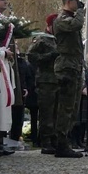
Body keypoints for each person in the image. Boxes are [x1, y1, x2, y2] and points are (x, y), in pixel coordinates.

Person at [52, 0, 86, 158]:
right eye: (76, 2)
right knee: (65, 106)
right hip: (66, 66)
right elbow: (76, 25)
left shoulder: (71, 18)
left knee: (73, 107)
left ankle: (66, 140)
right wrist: (80, 12)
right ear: (68, 2)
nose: (78, 4)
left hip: (75, 65)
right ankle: (61, 143)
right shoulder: (61, 19)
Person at [27, 13, 60, 154]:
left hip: (60, 79)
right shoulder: (42, 39)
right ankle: (45, 141)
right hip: (46, 80)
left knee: (57, 113)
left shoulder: (61, 39)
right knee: (47, 112)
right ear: (49, 25)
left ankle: (56, 140)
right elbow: (31, 56)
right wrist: (49, 56)